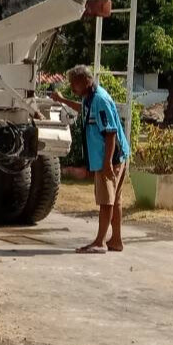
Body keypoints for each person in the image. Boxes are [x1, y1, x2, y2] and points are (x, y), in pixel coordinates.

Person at [49, 65, 130, 253]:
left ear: (86, 81)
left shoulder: (100, 100)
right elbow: (83, 109)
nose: (72, 88)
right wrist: (62, 100)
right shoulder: (90, 98)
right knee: (115, 201)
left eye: (74, 84)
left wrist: (107, 162)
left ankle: (100, 242)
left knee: (106, 201)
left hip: (110, 158)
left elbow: (110, 133)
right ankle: (116, 240)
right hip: (112, 157)